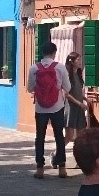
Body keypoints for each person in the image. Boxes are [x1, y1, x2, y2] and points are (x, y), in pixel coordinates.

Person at [28, 40, 71, 179]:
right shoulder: (60, 67)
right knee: (59, 136)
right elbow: (68, 87)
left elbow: (29, 88)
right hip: (57, 106)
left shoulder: (34, 68)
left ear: (42, 52)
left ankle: (40, 168)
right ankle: (62, 167)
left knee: (40, 137)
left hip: (40, 107)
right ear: (54, 53)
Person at [65, 52, 90, 146]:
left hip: (79, 108)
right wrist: (80, 103)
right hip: (70, 108)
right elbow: (66, 94)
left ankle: (80, 155)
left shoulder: (78, 75)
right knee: (69, 136)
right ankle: (57, 153)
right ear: (72, 62)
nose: (80, 62)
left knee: (81, 136)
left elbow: (77, 92)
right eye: (78, 60)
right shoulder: (68, 75)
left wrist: (85, 99)